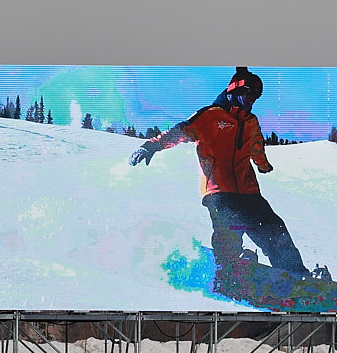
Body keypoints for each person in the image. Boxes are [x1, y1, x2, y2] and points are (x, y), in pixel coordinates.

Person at [130, 67, 315, 283]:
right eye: (249, 93)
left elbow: (256, 147)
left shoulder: (251, 121)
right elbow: (180, 131)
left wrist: (263, 165)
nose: (252, 100)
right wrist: (151, 146)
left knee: (275, 230)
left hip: (249, 191)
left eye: (256, 96)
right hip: (219, 191)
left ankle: (297, 277)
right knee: (229, 229)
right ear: (234, 90)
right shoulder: (210, 116)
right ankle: (228, 271)